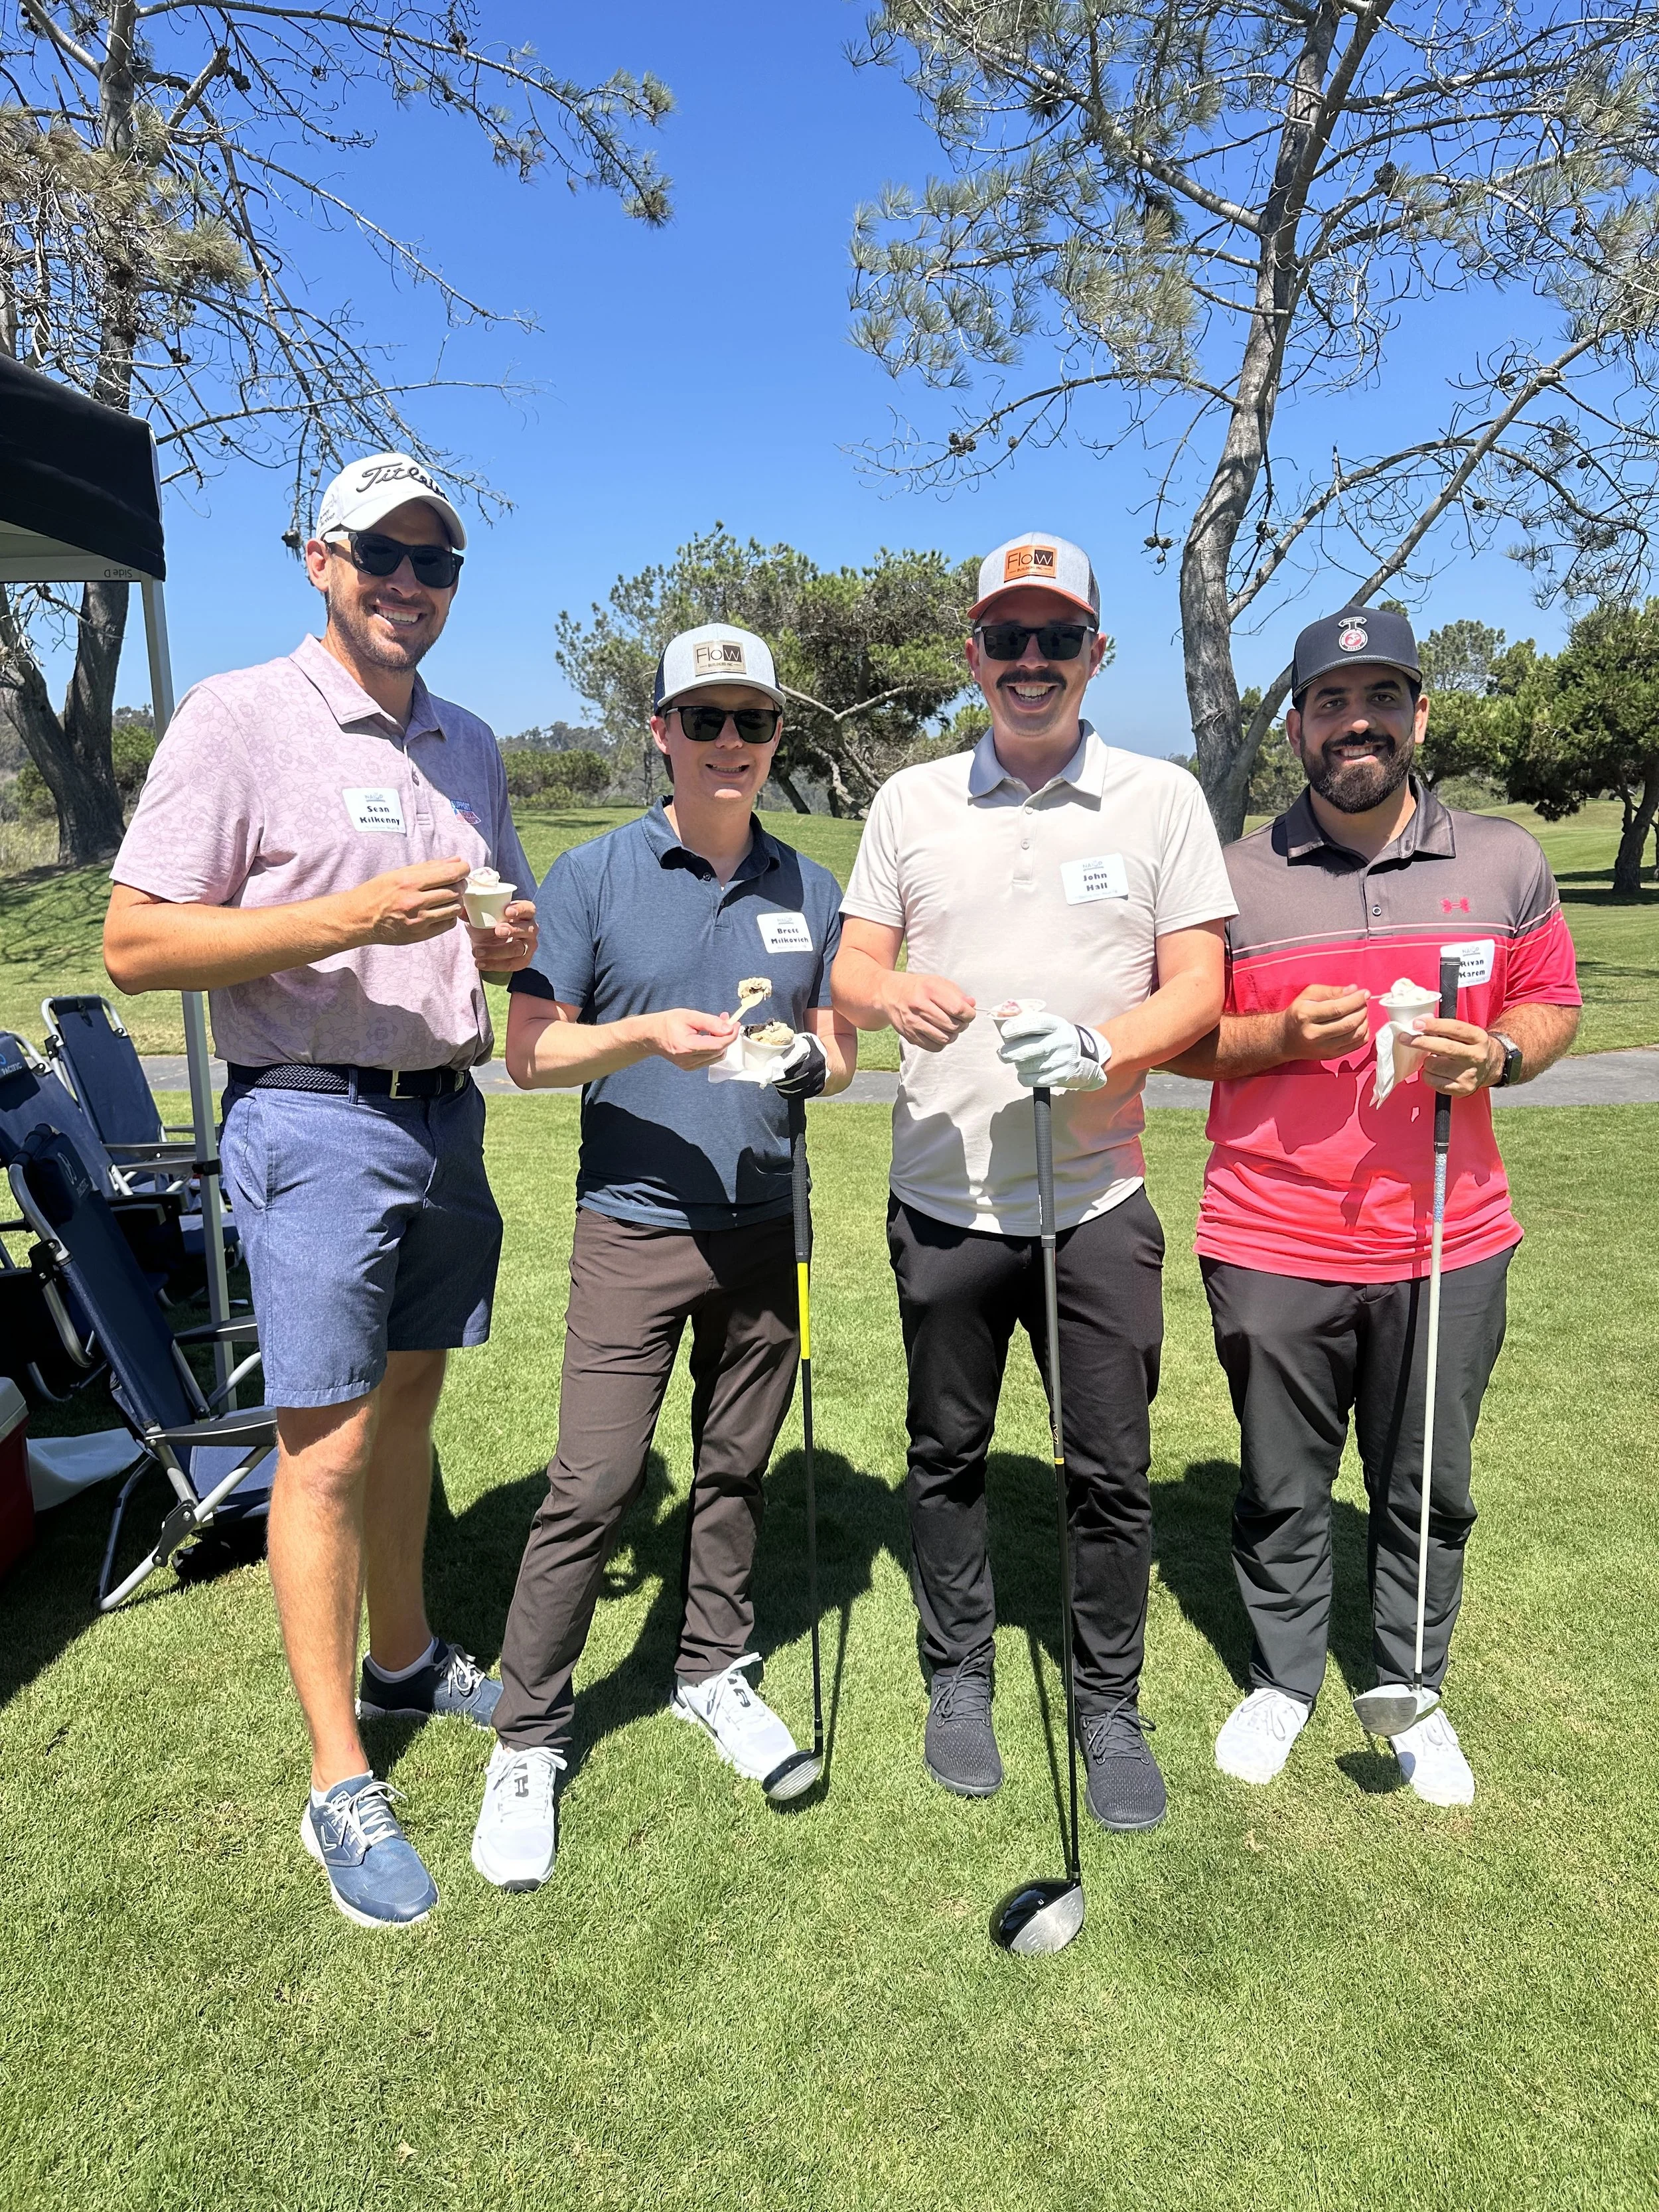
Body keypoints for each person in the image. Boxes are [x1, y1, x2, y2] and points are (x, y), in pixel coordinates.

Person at [104, 451, 538, 1929]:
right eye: (382, 556)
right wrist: (348, 912)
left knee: (409, 1413)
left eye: (436, 564)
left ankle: (405, 1655)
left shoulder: (469, 742)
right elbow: (138, 945)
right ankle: (337, 1779)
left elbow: (498, 926)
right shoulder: (238, 716)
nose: (408, 585)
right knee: (327, 1452)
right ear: (319, 558)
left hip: (444, 1115)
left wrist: (498, 944)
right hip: (311, 1118)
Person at [832, 532, 1236, 1832]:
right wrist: (891, 990)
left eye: (1054, 638)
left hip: (1095, 1204)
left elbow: (1199, 988)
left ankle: (1105, 1701)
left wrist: (1101, 1046)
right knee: (945, 1455)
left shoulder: (1160, 800)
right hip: (943, 1200)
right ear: (972, 657)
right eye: (1004, 638)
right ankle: (958, 1676)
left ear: (1093, 655)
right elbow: (850, 970)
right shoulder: (908, 805)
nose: (1028, 661)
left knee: (1108, 1469)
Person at [1165, 605, 1581, 1806]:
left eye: (1382, 699)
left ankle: (1410, 1686)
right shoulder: (1233, 878)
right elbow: (1180, 1045)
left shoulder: (1503, 859)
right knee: (1283, 1481)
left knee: (1425, 1483)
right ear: (1297, 724)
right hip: (1271, 1233)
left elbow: (1552, 1001)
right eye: (1332, 703)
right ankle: (1286, 1679)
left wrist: (1499, 1055)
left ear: (1418, 715)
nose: (1358, 724)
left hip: (1449, 1234)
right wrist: (1273, 1039)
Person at [470, 623, 856, 1893]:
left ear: (776, 738)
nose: (731, 744)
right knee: (593, 1482)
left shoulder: (809, 886)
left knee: (735, 1470)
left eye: (752, 721)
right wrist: (645, 1039)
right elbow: (529, 1057)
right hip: (633, 1228)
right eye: (706, 721)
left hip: (766, 1225)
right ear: (662, 733)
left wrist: (814, 1061)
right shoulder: (589, 877)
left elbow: (839, 1050)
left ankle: (711, 1669)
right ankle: (527, 1737)